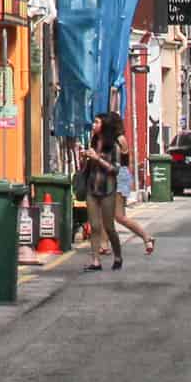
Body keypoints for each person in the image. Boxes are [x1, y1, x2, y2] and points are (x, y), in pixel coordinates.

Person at [107, 111, 157, 256]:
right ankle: (104, 246)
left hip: (119, 176)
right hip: (117, 175)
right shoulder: (114, 138)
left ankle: (146, 236)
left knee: (119, 216)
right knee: (106, 214)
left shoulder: (119, 139)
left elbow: (116, 159)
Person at [80, 113, 124, 271]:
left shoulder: (114, 146)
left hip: (107, 189)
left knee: (109, 226)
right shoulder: (93, 142)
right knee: (95, 226)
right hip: (92, 188)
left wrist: (98, 158)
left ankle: (118, 256)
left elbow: (115, 169)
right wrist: (85, 158)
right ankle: (95, 261)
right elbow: (87, 168)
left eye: (96, 122)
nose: (93, 125)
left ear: (104, 125)